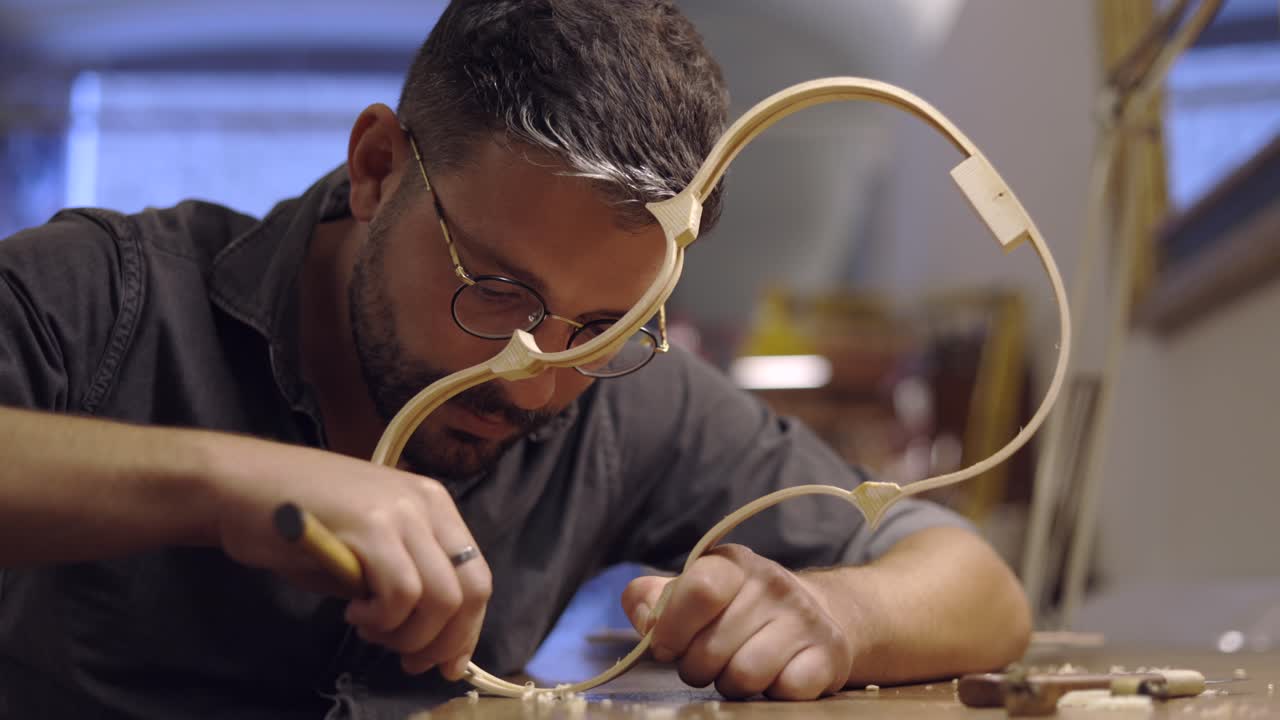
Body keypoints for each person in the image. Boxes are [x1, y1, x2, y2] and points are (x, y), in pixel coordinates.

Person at [0, 1, 1031, 717]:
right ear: (375, 170)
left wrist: (835, 615)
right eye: (495, 290)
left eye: (600, 329)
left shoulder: (623, 401)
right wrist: (230, 484)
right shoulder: (107, 294)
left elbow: (975, 583)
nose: (536, 380)